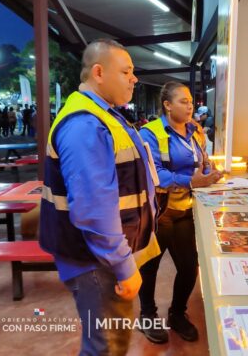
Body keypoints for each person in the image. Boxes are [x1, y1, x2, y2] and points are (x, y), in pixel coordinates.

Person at [39, 39, 160, 355]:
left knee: (108, 343)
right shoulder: (85, 125)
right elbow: (94, 209)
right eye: (126, 71)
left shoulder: (105, 115)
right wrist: (124, 266)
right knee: (106, 346)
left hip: (100, 256)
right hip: (95, 261)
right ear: (98, 72)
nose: (134, 79)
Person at [137, 82, 222, 344]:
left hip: (186, 209)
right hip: (159, 211)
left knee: (188, 267)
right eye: (183, 101)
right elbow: (155, 174)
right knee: (149, 267)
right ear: (167, 105)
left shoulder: (194, 132)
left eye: (191, 102)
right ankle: (147, 316)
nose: (190, 106)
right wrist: (192, 181)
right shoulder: (150, 133)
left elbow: (202, 163)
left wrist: (211, 173)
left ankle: (177, 314)